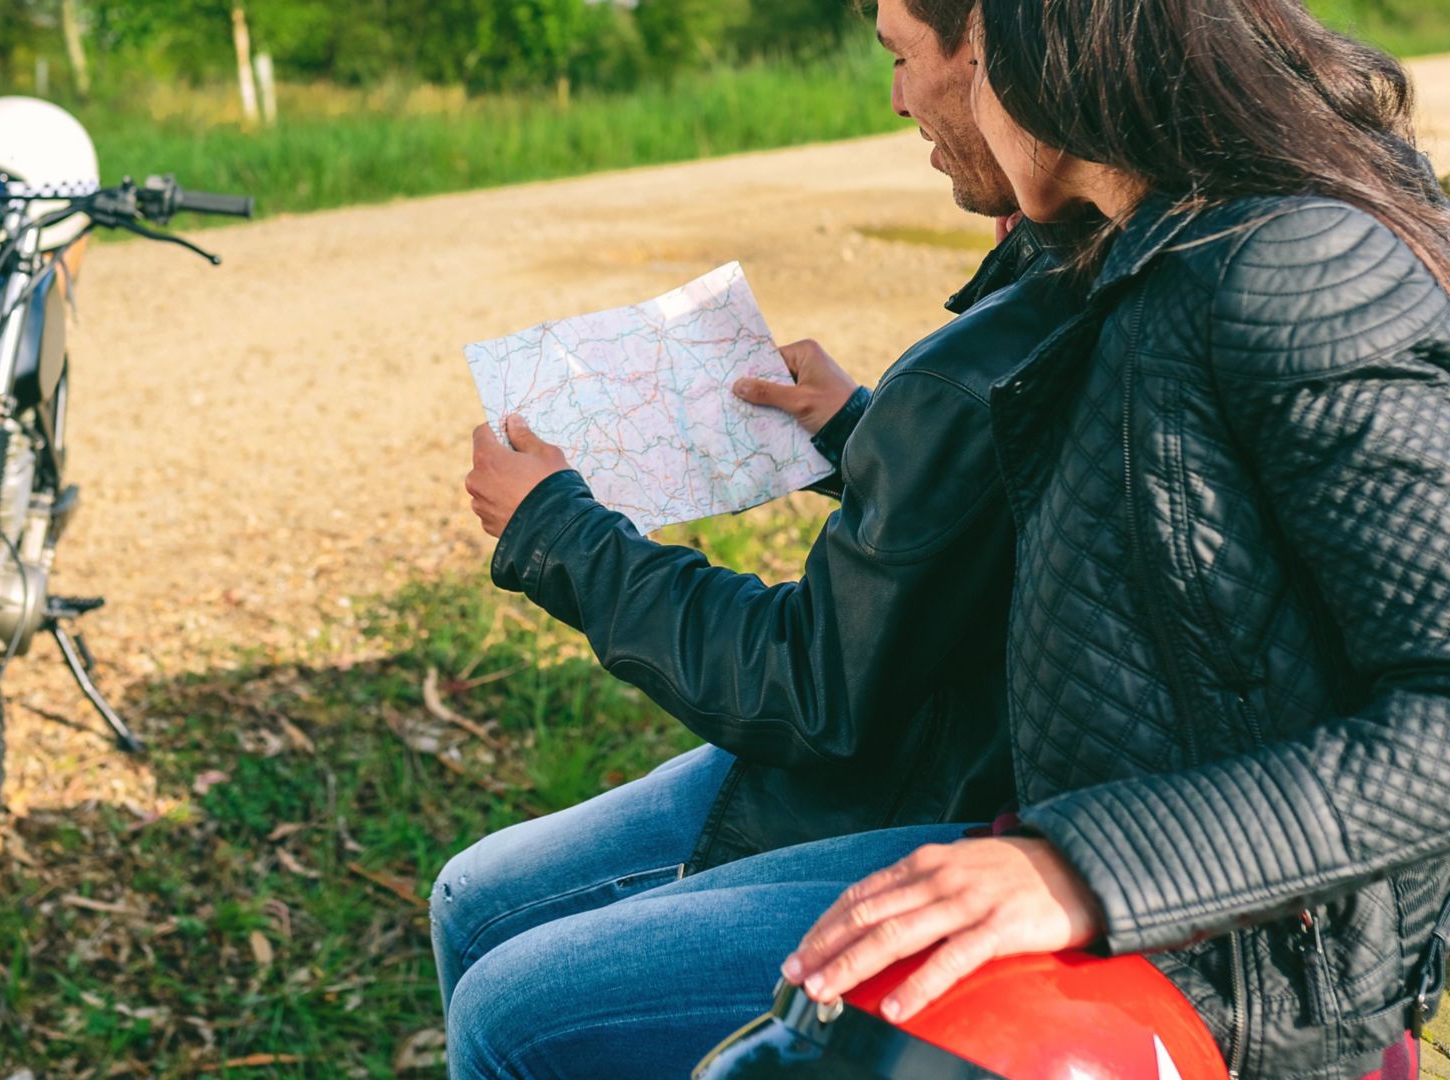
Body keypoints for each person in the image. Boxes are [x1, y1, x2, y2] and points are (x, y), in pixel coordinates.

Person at [772, 0, 1450, 1076]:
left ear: (1046, 40)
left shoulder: (1295, 264)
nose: (925, 95)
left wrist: (1085, 868)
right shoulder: (1127, 240)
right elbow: (1128, 536)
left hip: (1223, 959)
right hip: (1069, 850)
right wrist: (858, 436)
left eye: (972, 56)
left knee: (527, 1013)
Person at [437, 0, 1082, 1069]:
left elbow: (810, 691)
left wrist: (558, 530)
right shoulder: (1057, 252)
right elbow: (1004, 512)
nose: (895, 97)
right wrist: (862, 434)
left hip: (951, 785)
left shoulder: (1061, 304)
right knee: (470, 897)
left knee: (508, 1010)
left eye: (901, 58)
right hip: (937, 737)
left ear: (991, 57)